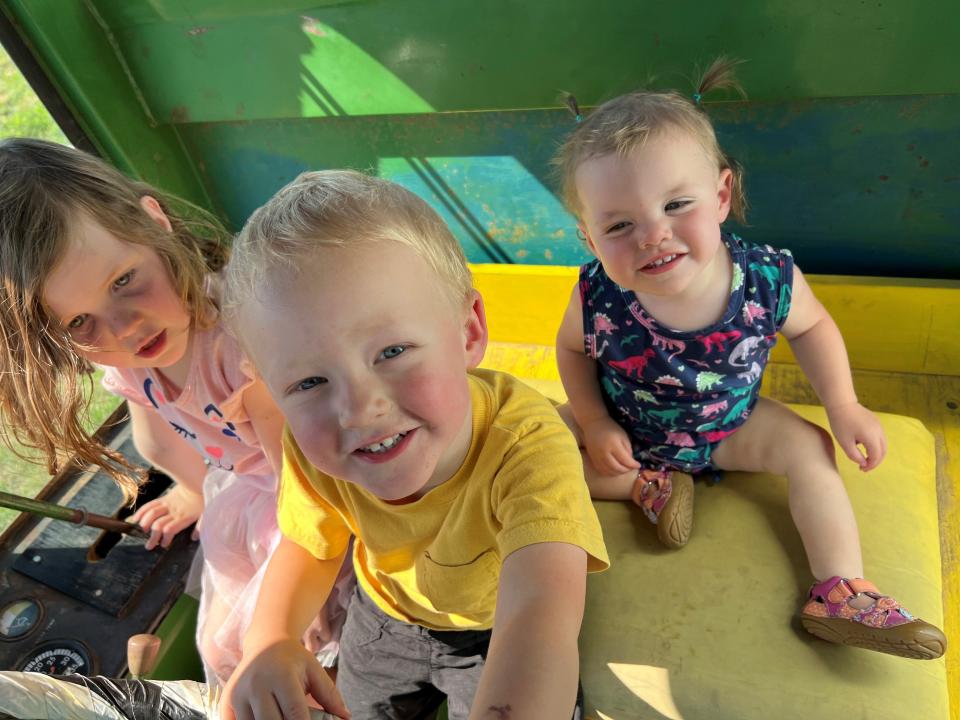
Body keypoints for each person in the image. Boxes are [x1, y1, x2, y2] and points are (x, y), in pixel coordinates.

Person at [552, 59, 946, 660]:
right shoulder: (596, 293)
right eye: (619, 225)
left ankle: (839, 589)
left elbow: (812, 326)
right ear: (588, 237)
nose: (652, 236)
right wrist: (594, 420)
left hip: (730, 425)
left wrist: (843, 404)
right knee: (536, 447)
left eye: (677, 204)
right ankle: (646, 486)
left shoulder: (765, 277)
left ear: (720, 194)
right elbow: (571, 350)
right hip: (627, 430)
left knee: (810, 449)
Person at [219, 169, 609, 720]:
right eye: (308, 383)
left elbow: (542, 608)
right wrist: (269, 639)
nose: (357, 410)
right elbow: (312, 541)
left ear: (468, 332)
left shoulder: (527, 444)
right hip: (384, 616)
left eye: (393, 351)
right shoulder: (315, 449)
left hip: (495, 628)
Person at [0, 138, 351, 686]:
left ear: (154, 221)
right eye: (78, 323)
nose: (124, 328)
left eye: (123, 281)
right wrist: (193, 491)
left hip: (320, 490)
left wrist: (280, 624)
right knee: (218, 644)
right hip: (254, 493)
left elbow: (317, 505)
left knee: (297, 637)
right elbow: (158, 441)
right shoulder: (131, 360)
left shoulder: (244, 344)